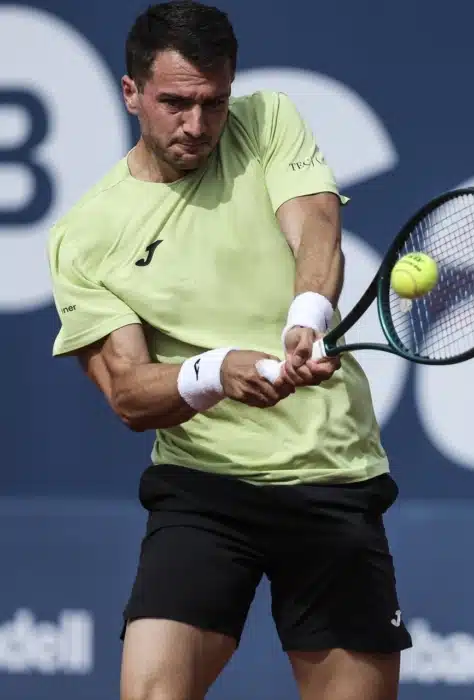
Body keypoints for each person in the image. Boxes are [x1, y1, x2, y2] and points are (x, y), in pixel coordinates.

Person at [48, 1, 412, 698]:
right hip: (203, 490)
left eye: (214, 102)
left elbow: (316, 229)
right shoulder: (85, 235)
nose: (197, 124)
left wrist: (306, 318)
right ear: (131, 93)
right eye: (175, 104)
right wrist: (215, 372)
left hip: (330, 475)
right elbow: (128, 392)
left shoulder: (268, 119)